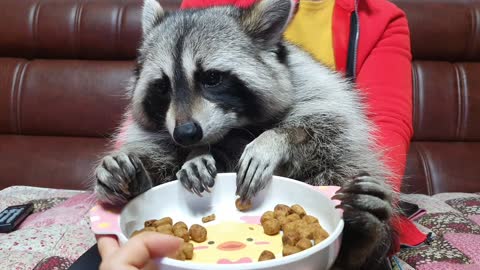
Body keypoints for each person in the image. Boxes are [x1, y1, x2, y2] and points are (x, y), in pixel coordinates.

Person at [99, 0, 427, 268]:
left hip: (312, 210)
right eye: (164, 89)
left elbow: (382, 128)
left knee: (366, 212)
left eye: (212, 78)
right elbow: (141, 130)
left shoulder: (378, 19)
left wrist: (363, 205)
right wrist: (123, 181)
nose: (182, 120)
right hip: (197, 226)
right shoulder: (198, 12)